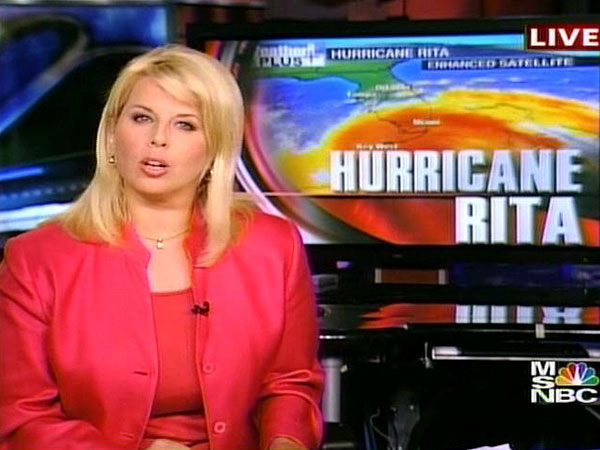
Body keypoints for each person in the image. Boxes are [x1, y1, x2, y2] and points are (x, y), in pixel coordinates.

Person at [0, 45, 323, 450]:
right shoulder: (37, 260)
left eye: (185, 125)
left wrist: (286, 442)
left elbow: (290, 383)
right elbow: (22, 418)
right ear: (112, 134)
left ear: (216, 149)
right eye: (142, 118)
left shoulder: (273, 247)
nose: (158, 139)